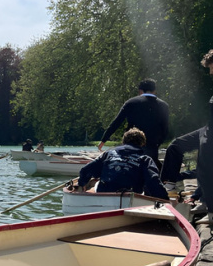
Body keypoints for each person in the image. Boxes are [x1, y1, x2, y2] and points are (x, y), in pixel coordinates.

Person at [161, 50, 213, 204]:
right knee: (175, 146)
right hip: (207, 129)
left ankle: (205, 202)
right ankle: (169, 185)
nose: (211, 73)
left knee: (205, 164)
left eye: (212, 69)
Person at [75, 127, 168, 200]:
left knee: (96, 185)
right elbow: (153, 181)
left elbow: (85, 170)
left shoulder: (108, 154)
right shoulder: (145, 159)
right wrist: (165, 200)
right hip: (130, 194)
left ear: (123, 142)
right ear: (142, 144)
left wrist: (82, 183)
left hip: (104, 191)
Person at [97, 79, 169, 166]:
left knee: (130, 167)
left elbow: (117, 122)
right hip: (152, 143)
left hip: (131, 143)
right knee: (149, 168)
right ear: (154, 90)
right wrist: (158, 143)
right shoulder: (163, 105)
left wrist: (103, 140)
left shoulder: (131, 102)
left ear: (140, 90)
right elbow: (165, 129)